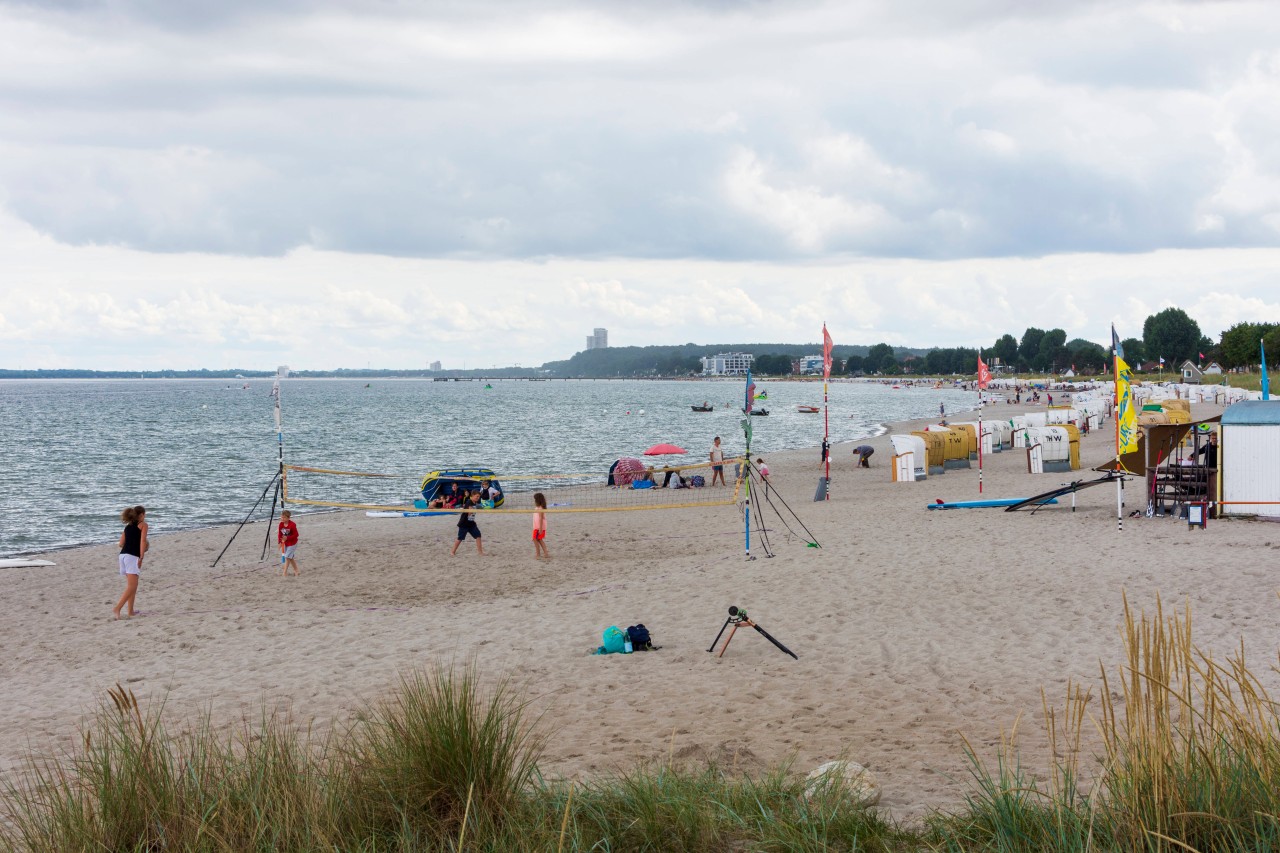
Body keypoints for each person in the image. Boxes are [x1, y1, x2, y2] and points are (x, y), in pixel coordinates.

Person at [113, 505, 148, 620]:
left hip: (122, 556)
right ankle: (117, 608)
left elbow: (121, 544)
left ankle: (130, 611)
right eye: (145, 514)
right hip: (132, 557)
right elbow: (143, 541)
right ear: (141, 515)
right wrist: (141, 557)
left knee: (132, 586)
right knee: (132, 586)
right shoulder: (143, 525)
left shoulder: (128, 527)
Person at [451, 491, 485, 556]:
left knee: (478, 535)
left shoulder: (474, 502)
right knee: (460, 538)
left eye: (479, 497)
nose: (478, 498)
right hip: (464, 523)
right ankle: (452, 552)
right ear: (472, 496)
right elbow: (469, 513)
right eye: (477, 496)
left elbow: (471, 515)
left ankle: (480, 552)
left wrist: (473, 520)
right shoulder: (469, 502)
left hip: (471, 523)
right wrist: (473, 510)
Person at [278, 510, 300, 576]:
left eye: (284, 517)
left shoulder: (292, 525)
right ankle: (296, 570)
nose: (282, 519)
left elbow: (296, 535)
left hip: (293, 543)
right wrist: (279, 542)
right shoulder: (281, 524)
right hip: (286, 543)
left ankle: (285, 572)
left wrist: (287, 538)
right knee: (290, 557)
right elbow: (279, 534)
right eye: (281, 517)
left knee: (287, 557)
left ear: (288, 518)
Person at [532, 492, 550, 559]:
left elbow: (540, 518)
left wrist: (540, 529)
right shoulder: (537, 507)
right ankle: (545, 553)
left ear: (538, 500)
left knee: (535, 539)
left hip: (539, 527)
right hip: (536, 526)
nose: (534, 501)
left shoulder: (541, 508)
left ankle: (538, 554)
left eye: (535, 500)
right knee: (538, 539)